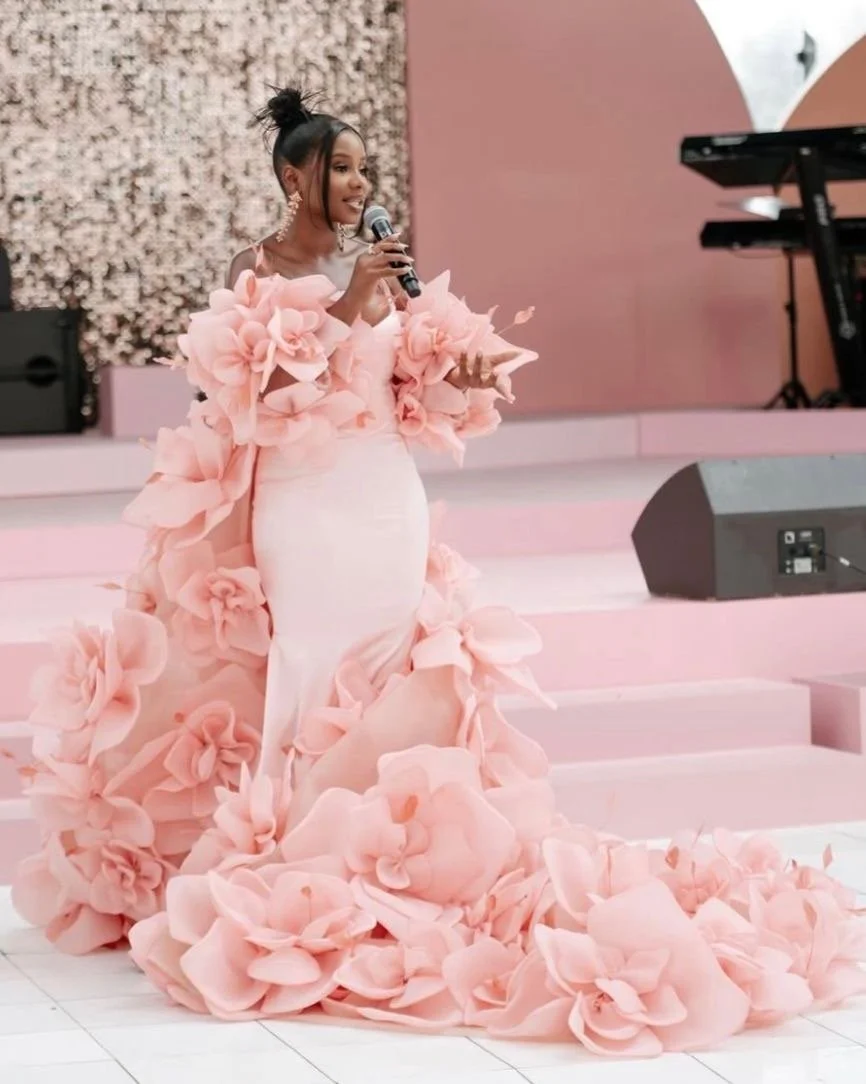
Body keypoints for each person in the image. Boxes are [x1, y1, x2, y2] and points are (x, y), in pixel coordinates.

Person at [12, 85, 866, 1056]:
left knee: (391, 661)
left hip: (384, 494)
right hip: (303, 502)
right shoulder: (254, 270)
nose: (356, 182)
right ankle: (296, 852)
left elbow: (409, 381)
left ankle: (393, 853)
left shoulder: (377, 271)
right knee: (310, 665)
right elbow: (247, 393)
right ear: (292, 174)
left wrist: (458, 371)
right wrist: (350, 303)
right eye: (339, 166)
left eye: (364, 168)